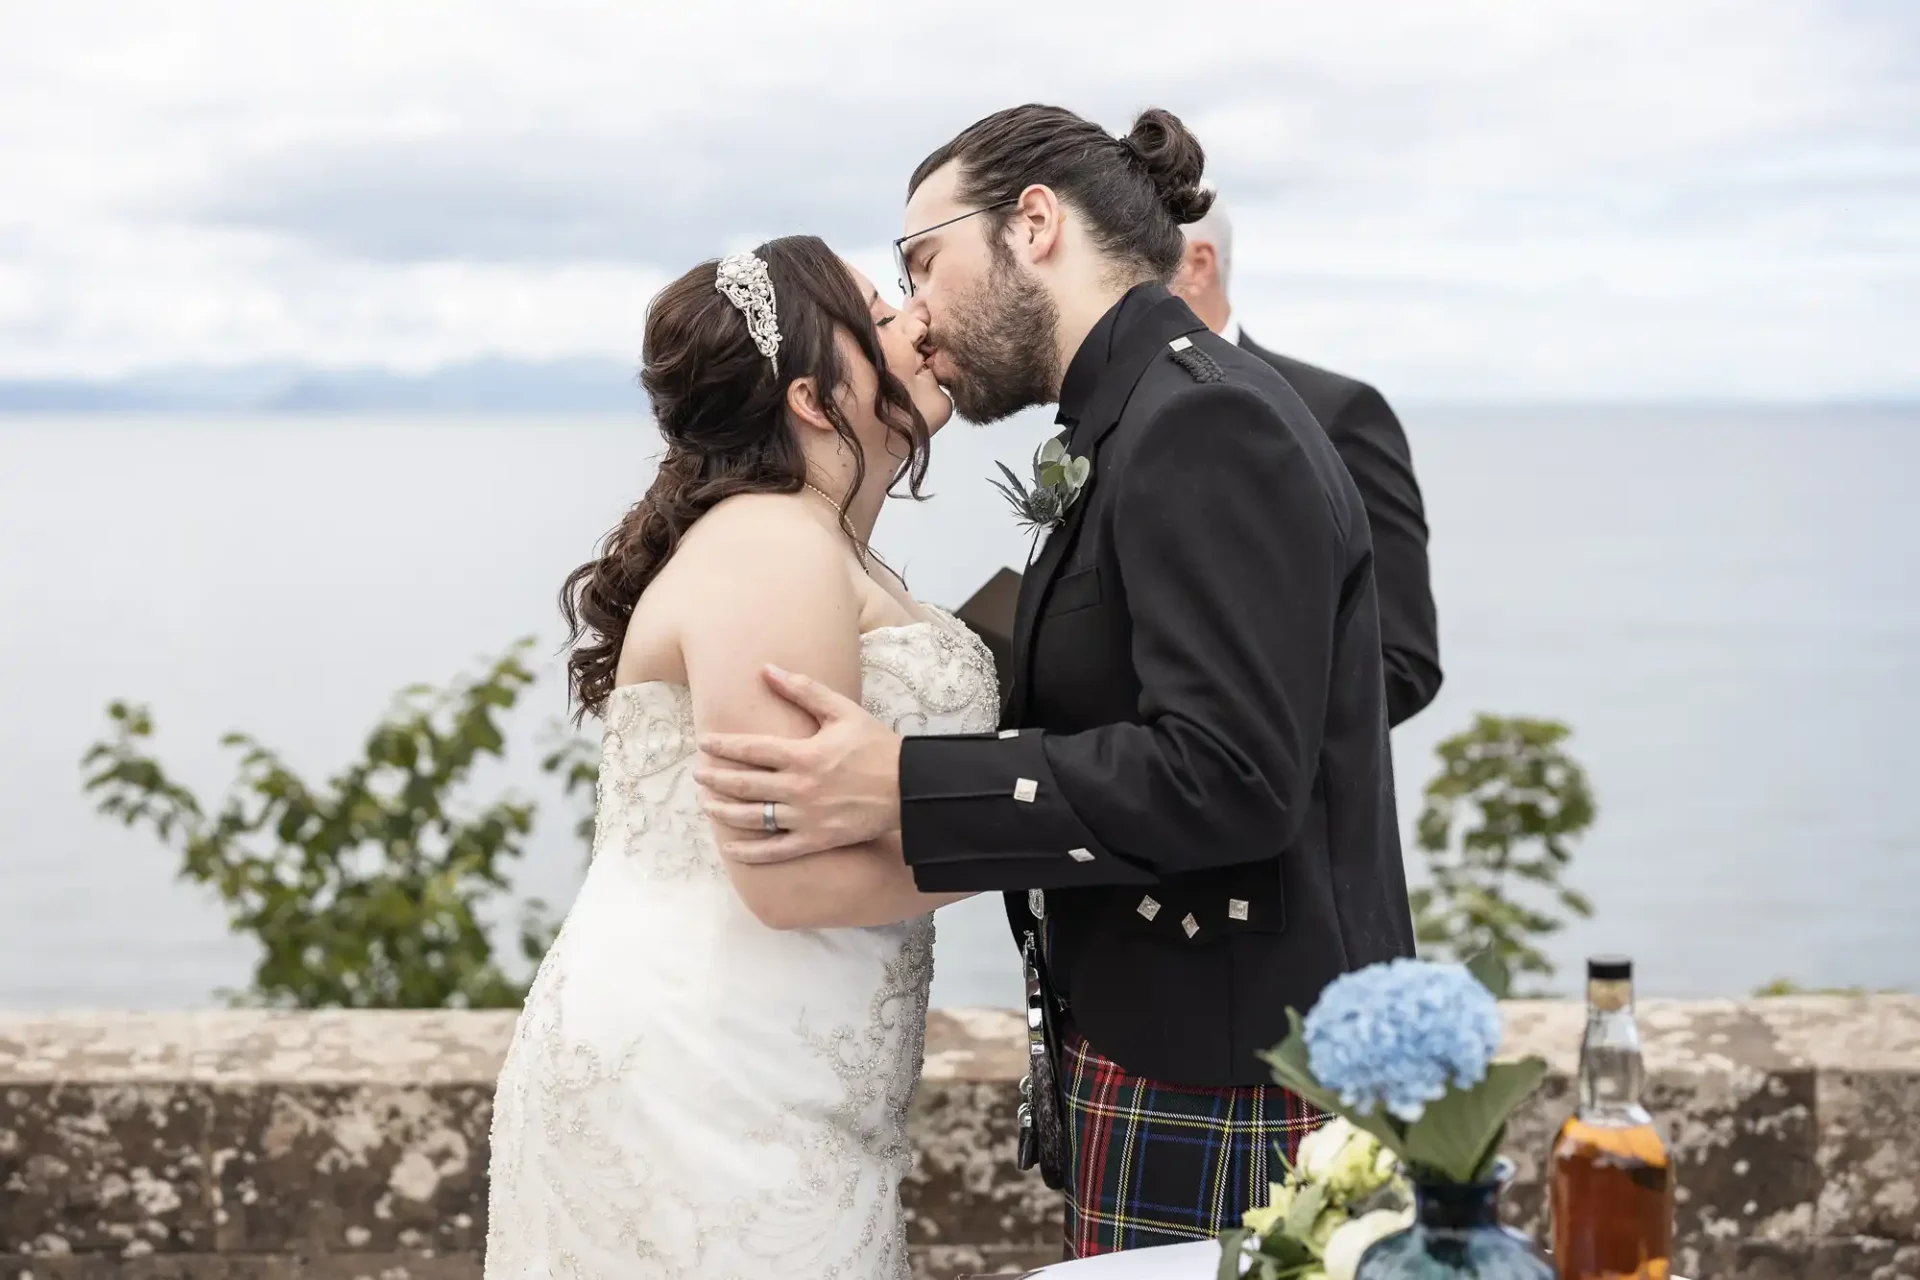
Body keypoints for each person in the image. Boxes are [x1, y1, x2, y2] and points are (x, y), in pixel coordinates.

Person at [696, 105, 1416, 1258]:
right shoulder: (1138, 416)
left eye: (922, 261)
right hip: (1180, 1046)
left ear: (1032, 225)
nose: (917, 309)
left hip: (1226, 1073)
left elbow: (1226, 776)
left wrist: (903, 781)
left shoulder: (1203, 420)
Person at [483, 235, 999, 1279]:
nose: (915, 322)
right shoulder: (771, 538)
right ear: (815, 397)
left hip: (774, 1048)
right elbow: (792, 872)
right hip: (708, 1067)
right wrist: (1071, 835)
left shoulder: (824, 542)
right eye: (879, 312)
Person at [1172, 195, 1442, 726]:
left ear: (1197, 266)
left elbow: (1403, 661)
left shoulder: (1335, 414)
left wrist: (1235, 738)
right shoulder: (1092, 420)